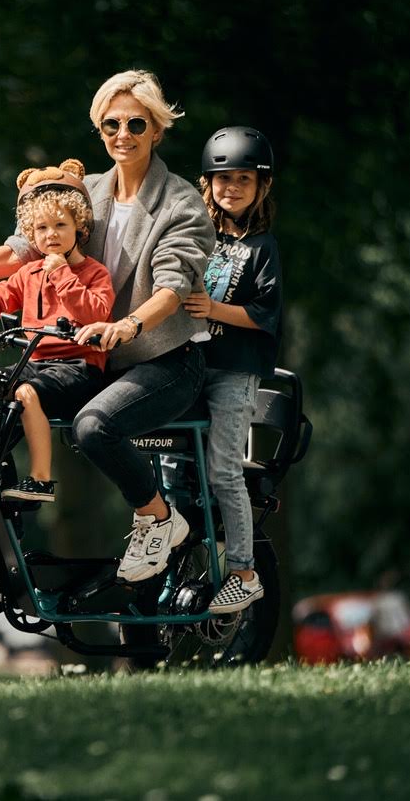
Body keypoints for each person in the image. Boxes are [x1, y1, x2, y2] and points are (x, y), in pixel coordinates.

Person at [0, 70, 215, 596]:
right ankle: (6, 559)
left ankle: (159, 518)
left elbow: (172, 284)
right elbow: (16, 252)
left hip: (161, 360)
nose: (123, 134)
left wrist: (128, 324)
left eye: (136, 123)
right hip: (92, 360)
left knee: (95, 427)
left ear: (157, 129)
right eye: (110, 124)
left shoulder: (178, 202)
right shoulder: (86, 192)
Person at [0, 159, 114, 506]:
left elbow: (95, 311)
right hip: (36, 362)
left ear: (80, 227)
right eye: (42, 228)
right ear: (31, 234)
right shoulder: (28, 273)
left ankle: (43, 479)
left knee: (27, 393)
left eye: (61, 225)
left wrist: (62, 274)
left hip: (79, 368)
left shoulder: (94, 273)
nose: (52, 235)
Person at [178, 126, 283, 614]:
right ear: (208, 183)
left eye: (244, 178)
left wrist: (211, 310)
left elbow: (264, 316)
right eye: (223, 179)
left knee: (223, 470)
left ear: (262, 186)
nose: (232, 187)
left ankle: (244, 571)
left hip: (234, 374)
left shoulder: (263, 247)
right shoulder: (198, 233)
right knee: (173, 470)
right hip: (189, 366)